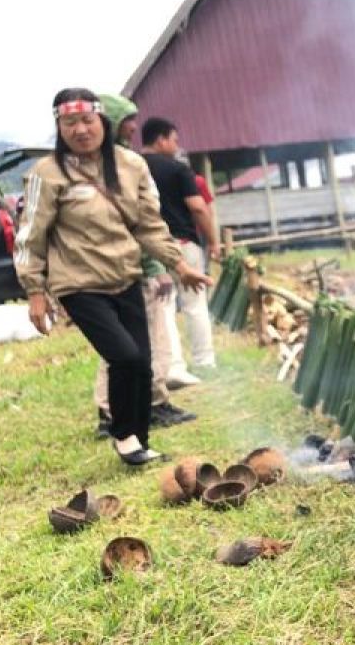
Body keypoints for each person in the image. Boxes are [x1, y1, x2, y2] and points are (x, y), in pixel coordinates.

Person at [15, 88, 211, 466]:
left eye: (88, 120)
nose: (81, 130)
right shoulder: (47, 173)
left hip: (125, 276)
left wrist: (180, 264)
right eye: (69, 122)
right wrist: (35, 291)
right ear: (59, 127)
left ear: (103, 122)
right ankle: (124, 436)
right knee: (125, 356)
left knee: (144, 361)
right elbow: (30, 235)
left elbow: (150, 224)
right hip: (78, 284)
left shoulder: (131, 165)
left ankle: (138, 438)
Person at [92, 95, 196, 438]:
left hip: (136, 265)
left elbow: (146, 219)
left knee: (147, 340)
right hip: (117, 269)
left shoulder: (126, 161)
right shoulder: (105, 166)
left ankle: (152, 401)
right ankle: (115, 412)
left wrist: (157, 265)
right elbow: (138, 220)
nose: (135, 126)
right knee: (122, 345)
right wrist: (158, 267)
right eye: (128, 119)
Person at [140, 117, 220, 382]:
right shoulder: (177, 169)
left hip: (150, 246)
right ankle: (204, 361)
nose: (176, 146)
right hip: (183, 245)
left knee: (163, 306)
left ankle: (172, 367)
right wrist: (213, 241)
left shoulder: (131, 167)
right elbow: (198, 207)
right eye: (174, 140)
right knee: (195, 304)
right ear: (161, 139)